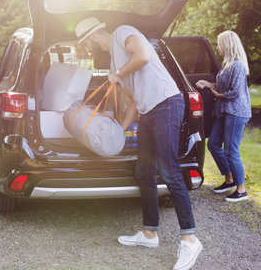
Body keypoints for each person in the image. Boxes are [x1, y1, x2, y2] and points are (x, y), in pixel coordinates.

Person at [75, 17, 203, 270]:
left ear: (91, 36)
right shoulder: (114, 58)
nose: (86, 48)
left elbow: (143, 55)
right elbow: (134, 100)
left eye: (84, 43)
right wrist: (120, 130)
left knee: (169, 170)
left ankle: (189, 238)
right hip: (148, 111)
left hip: (166, 103)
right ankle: (149, 234)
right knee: (144, 171)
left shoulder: (123, 31)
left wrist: (118, 74)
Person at [196, 30, 251, 202]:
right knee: (213, 144)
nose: (217, 47)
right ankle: (229, 179)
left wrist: (217, 95)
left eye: (219, 44)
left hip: (236, 112)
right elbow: (221, 85)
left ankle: (241, 190)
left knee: (231, 150)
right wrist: (208, 84)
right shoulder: (227, 63)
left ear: (227, 45)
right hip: (224, 111)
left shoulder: (238, 66)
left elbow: (234, 92)